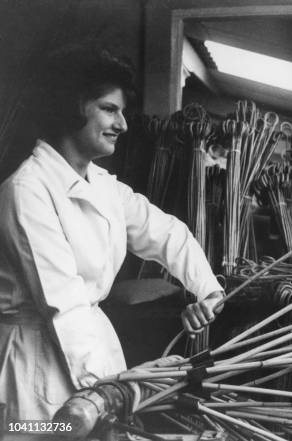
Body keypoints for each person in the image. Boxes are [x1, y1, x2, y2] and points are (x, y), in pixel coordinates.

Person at [0, 45, 224, 422]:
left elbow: (168, 233)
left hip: (93, 352)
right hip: (33, 367)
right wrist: (105, 388)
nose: (123, 124)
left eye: (121, 111)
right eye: (109, 109)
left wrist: (209, 290)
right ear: (71, 107)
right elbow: (63, 303)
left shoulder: (102, 185)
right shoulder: (27, 191)